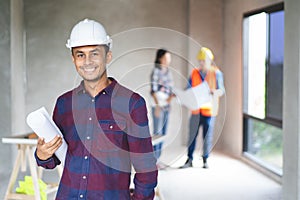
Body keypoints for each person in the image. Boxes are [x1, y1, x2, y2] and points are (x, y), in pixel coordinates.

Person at [34, 19, 157, 199]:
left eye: (94, 53)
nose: (87, 62)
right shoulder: (64, 104)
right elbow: (55, 160)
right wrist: (42, 154)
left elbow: (146, 167)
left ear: (107, 56)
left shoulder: (131, 103)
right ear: (73, 59)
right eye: (80, 55)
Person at [180, 47, 225, 169]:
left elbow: (221, 90)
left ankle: (205, 160)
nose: (201, 63)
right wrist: (184, 95)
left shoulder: (216, 73)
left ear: (209, 60)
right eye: (200, 60)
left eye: (203, 60)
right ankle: (189, 159)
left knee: (207, 136)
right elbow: (188, 88)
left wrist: (214, 92)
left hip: (209, 111)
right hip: (196, 110)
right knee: (192, 135)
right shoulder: (195, 73)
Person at [150, 49, 174, 162]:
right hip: (158, 105)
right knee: (157, 133)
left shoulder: (169, 72)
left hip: (166, 106)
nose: (168, 61)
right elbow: (153, 91)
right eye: (166, 58)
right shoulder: (156, 71)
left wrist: (171, 99)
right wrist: (158, 106)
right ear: (160, 58)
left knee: (164, 133)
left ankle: (158, 159)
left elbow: (171, 90)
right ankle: (154, 159)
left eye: (169, 58)